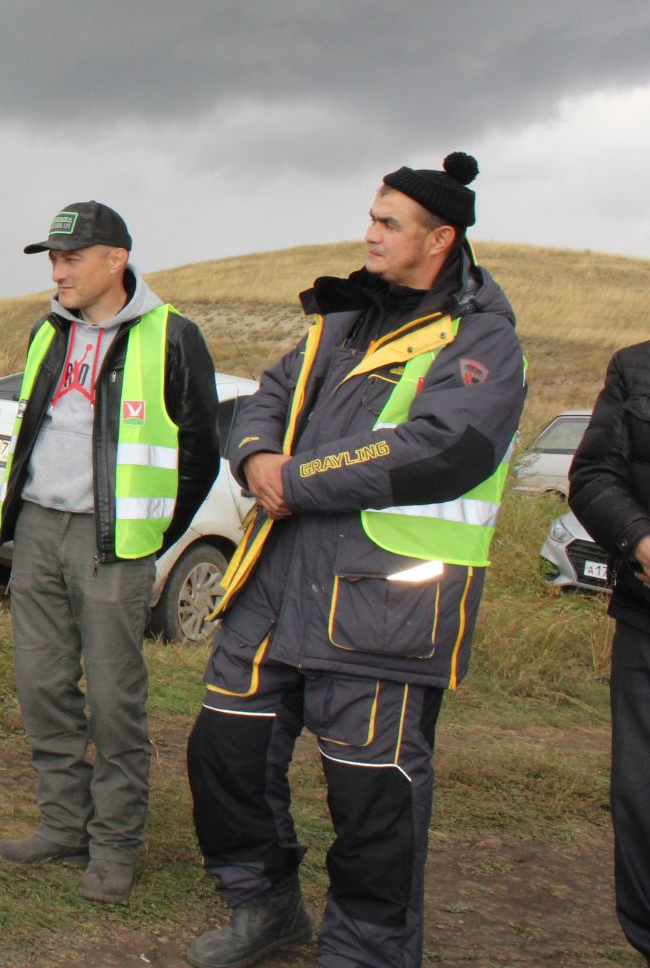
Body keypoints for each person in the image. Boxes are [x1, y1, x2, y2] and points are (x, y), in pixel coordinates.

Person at [184, 153, 525, 968]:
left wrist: (292, 479)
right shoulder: (340, 320)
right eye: (371, 217)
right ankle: (265, 908)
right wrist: (258, 453)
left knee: (373, 803)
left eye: (388, 223)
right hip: (272, 590)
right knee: (224, 758)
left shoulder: (481, 339)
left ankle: (366, 951)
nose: (369, 234)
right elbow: (265, 398)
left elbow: (442, 447)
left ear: (439, 239)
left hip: (384, 610)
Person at [0, 201, 218, 903]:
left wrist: (146, 533)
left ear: (115, 260)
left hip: (110, 544)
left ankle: (115, 845)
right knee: (41, 685)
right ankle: (63, 824)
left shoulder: (173, 336)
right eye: (52, 261)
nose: (57, 273)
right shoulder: (46, 332)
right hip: (38, 529)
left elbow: (200, 454)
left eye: (70, 260)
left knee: (116, 698)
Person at [569, 338, 650, 960]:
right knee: (642, 801)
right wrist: (639, 540)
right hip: (648, 624)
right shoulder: (636, 366)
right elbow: (594, 474)